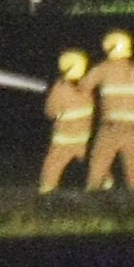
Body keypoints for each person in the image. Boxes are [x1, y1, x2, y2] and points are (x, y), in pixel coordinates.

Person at [83, 28, 134, 190]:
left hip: (111, 126)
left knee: (100, 159)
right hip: (133, 127)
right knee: (132, 161)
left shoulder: (103, 69)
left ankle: (93, 190)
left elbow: (85, 86)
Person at [37, 49, 95, 193]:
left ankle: (47, 188)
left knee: (54, 163)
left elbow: (50, 111)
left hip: (64, 137)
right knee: (92, 160)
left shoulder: (60, 88)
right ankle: (103, 182)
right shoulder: (86, 88)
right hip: (83, 136)